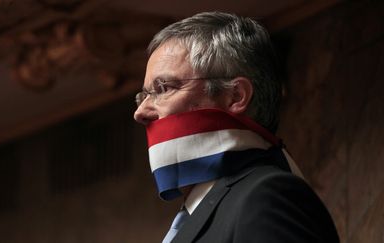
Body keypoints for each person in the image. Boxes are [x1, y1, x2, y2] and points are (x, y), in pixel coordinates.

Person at [133, 12, 339, 243]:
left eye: (163, 88)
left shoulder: (267, 198)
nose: (140, 113)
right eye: (143, 96)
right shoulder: (202, 211)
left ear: (235, 96)